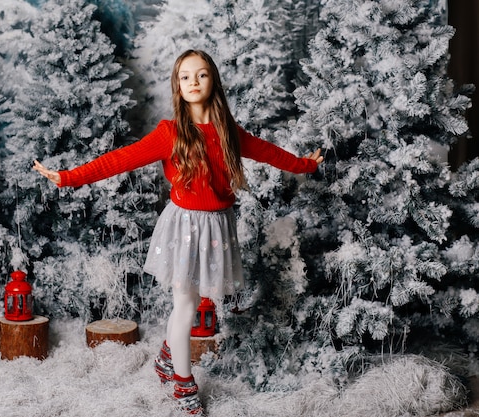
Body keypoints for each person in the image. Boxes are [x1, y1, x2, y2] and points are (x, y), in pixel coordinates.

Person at [33, 49, 323, 416]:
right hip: (184, 226)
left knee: (202, 298)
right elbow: (121, 159)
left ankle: (168, 355)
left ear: (213, 80)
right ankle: (183, 383)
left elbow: (268, 153)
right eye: (185, 77)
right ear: (177, 85)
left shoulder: (228, 132)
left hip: (218, 225)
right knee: (185, 304)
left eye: (201, 75)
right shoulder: (170, 133)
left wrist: (304, 165)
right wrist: (69, 177)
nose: (193, 82)